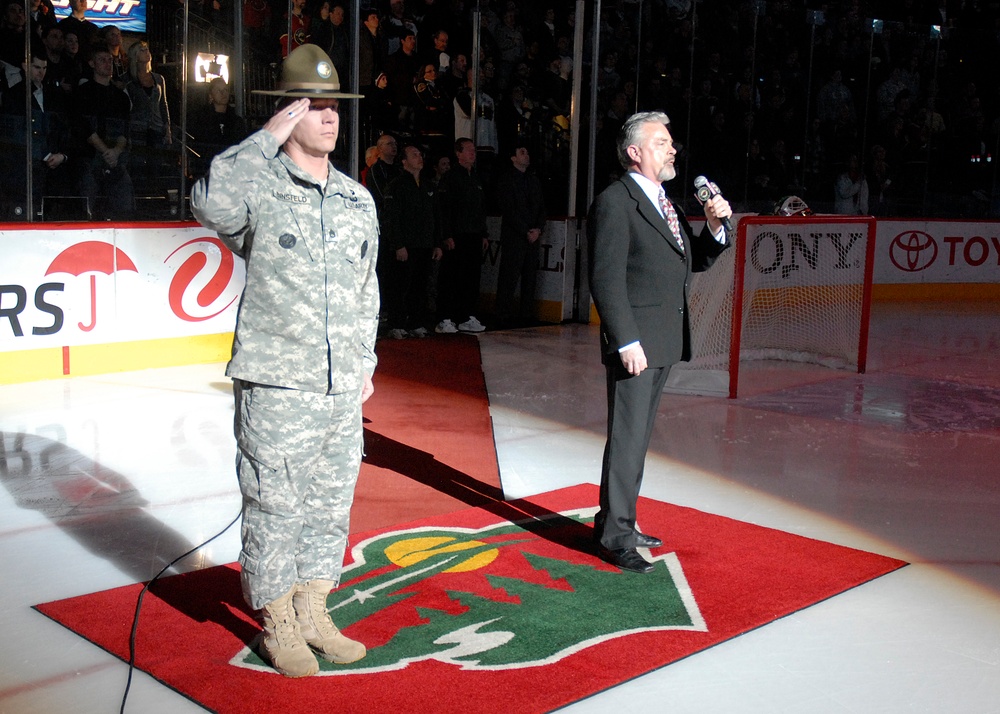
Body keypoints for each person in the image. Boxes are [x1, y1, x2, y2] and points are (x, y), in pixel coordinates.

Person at [189, 44, 375, 678]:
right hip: (277, 385)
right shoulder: (258, 187)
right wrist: (265, 137)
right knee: (274, 505)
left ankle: (316, 610)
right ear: (290, 112)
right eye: (314, 106)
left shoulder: (357, 201)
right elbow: (210, 203)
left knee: (330, 503)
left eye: (335, 107)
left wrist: (365, 366)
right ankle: (277, 621)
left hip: (339, 386)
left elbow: (367, 290)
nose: (329, 118)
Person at [587, 111, 731, 574]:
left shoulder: (662, 201)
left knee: (637, 438)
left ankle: (618, 521)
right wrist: (624, 339)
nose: (672, 149)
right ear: (635, 152)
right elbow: (606, 279)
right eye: (661, 142)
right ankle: (615, 536)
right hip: (637, 345)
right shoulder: (616, 202)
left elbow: (693, 263)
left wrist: (712, 227)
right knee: (627, 439)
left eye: (671, 143)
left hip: (664, 340)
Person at [382, 143, 440, 338]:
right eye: (414, 155)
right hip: (405, 246)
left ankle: (416, 321)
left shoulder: (428, 185)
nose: (419, 157)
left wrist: (436, 243)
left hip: (423, 244)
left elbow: (435, 217)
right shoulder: (396, 185)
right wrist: (398, 244)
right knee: (400, 285)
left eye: (420, 154)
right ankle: (396, 323)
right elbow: (391, 218)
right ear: (404, 161)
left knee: (420, 285)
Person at [72, 42, 133, 220]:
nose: (108, 63)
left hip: (115, 158)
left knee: (125, 202)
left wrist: (115, 152)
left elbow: (125, 128)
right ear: (92, 64)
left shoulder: (120, 96)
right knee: (87, 204)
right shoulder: (83, 92)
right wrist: (107, 151)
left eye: (110, 60)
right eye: (102, 60)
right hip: (91, 157)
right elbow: (84, 128)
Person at [435, 136, 488, 334]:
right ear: (458, 154)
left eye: (474, 150)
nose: (472, 153)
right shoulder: (450, 178)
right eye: (468, 150)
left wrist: (483, 233)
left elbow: (481, 208)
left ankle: (465, 316)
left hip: (474, 235)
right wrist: (447, 235)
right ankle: (445, 318)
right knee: (451, 277)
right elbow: (444, 209)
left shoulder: (475, 177)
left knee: (471, 278)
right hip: (456, 236)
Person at [494, 143, 545, 327]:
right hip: (515, 235)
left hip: (532, 234)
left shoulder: (533, 180)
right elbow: (509, 209)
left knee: (530, 277)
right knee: (509, 275)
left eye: (527, 151)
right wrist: (525, 230)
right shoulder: (506, 180)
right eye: (522, 152)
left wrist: (538, 228)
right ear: (513, 158)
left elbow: (541, 207)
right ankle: (502, 313)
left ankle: (526, 313)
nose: (526, 155)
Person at [124, 39, 172, 200]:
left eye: (147, 50)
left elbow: (163, 104)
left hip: (156, 127)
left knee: (155, 165)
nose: (147, 53)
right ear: (135, 56)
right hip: (137, 127)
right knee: (137, 164)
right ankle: (138, 197)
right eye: (142, 50)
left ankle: (155, 196)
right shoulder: (128, 79)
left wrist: (167, 127)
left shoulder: (158, 78)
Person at [188, 77, 246, 179]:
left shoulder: (236, 121)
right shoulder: (201, 119)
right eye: (218, 90)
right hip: (207, 168)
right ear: (211, 95)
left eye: (225, 90)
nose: (223, 93)